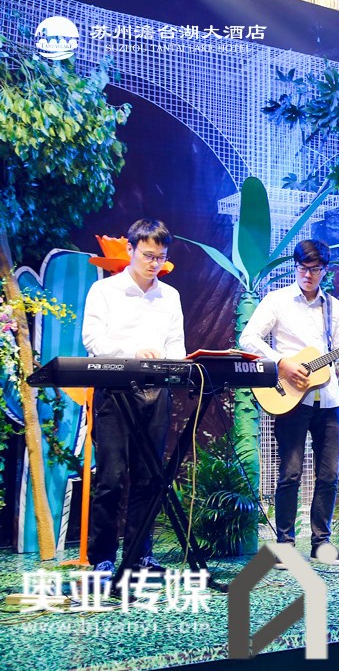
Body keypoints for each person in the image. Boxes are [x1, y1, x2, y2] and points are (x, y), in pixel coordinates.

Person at [239, 239, 339, 566]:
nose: (308, 275)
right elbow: (248, 339)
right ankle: (284, 546)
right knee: (290, 473)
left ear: (325, 270)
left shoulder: (333, 307)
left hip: (329, 401)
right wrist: (282, 362)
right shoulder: (277, 301)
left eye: (315, 269)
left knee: (328, 476)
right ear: (295, 267)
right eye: (302, 268)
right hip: (290, 398)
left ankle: (321, 543)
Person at [81, 218, 184, 577]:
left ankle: (140, 556)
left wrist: (167, 360)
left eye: (161, 257)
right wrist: (133, 353)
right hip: (115, 389)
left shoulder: (170, 296)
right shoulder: (105, 291)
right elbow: (92, 340)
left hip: (157, 390)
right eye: (148, 255)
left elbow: (177, 344)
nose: (154, 263)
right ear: (130, 249)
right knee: (111, 476)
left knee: (149, 477)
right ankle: (102, 558)